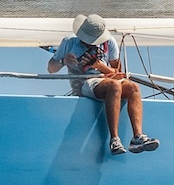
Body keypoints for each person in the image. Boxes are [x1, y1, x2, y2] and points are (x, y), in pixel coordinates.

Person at [49, 14, 157, 156]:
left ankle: (137, 137)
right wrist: (63, 61)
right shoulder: (69, 42)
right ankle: (114, 139)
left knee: (133, 87)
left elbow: (119, 73)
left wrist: (100, 67)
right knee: (114, 86)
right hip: (83, 83)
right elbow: (51, 68)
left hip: (105, 79)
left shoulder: (109, 42)